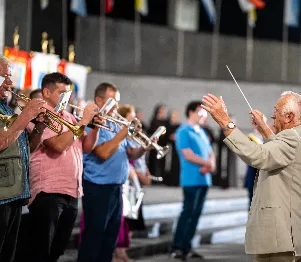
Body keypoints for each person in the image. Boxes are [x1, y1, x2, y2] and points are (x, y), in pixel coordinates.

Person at [201, 91, 301, 262]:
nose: (272, 114)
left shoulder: (291, 137)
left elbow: (258, 155)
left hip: (281, 236)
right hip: (296, 233)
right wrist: (264, 129)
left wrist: (225, 122)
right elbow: (281, 154)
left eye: (277, 110)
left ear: (289, 116)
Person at [77, 83, 155, 262]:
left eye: (117, 102)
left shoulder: (114, 122)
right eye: (113, 101)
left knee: (110, 238)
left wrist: (145, 148)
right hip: (97, 187)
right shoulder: (92, 122)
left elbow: (130, 153)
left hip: (116, 187)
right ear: (99, 100)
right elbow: (102, 153)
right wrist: (124, 133)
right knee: (94, 237)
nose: (117, 107)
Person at [27, 73, 100, 262]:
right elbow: (58, 145)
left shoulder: (68, 116)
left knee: (57, 249)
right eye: (62, 93)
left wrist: (95, 126)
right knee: (40, 250)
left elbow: (87, 147)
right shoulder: (39, 114)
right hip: (48, 190)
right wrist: (84, 121)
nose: (68, 98)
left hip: (72, 190)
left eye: (69, 94)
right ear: (46, 92)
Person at [0, 56, 47, 262]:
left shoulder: (7, 109)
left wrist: (39, 127)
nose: (10, 82)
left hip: (15, 192)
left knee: (8, 254)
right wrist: (26, 115)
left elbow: (27, 148)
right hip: (2, 194)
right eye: (5, 76)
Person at [170, 101, 215, 261]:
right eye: (201, 111)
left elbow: (210, 152)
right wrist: (205, 163)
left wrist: (211, 164)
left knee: (196, 214)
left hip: (204, 179)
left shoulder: (201, 131)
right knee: (187, 213)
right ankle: (177, 247)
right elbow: (187, 155)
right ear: (191, 112)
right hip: (191, 179)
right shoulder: (183, 131)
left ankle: (187, 247)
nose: (204, 115)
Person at [244, 125, 263, 209]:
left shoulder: (266, 137)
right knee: (252, 202)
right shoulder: (251, 137)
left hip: (263, 176)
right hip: (253, 174)